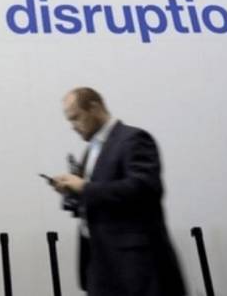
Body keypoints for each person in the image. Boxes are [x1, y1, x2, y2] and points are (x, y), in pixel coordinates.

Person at [50, 88, 185, 296]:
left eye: (76, 118)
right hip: (101, 265)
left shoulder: (134, 139)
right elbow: (99, 199)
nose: (73, 127)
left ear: (94, 108)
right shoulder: (91, 150)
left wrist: (84, 187)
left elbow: (144, 190)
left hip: (136, 266)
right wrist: (73, 193)